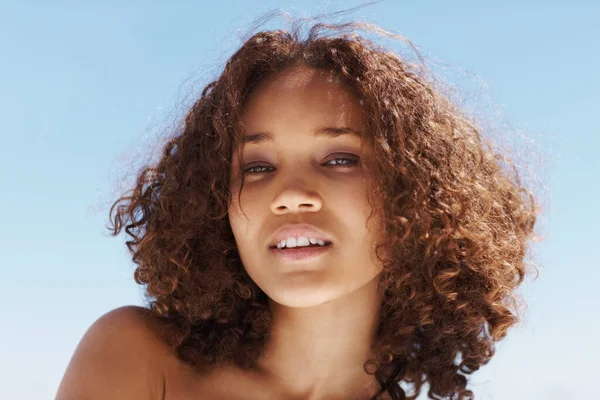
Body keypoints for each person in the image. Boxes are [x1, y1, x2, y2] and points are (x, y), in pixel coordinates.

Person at [55, 17, 539, 400]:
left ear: (414, 198)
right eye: (258, 167)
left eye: (340, 159)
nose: (290, 193)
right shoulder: (137, 356)